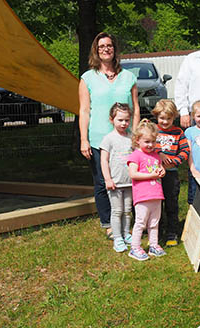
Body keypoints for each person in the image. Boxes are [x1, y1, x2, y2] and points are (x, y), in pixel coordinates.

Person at [79, 32, 140, 238]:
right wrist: (84, 139)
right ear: (96, 51)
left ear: (115, 49)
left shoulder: (128, 77)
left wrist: (137, 134)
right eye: (101, 46)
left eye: (109, 46)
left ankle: (128, 219)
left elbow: (136, 108)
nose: (106, 49)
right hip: (98, 139)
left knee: (127, 179)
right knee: (102, 181)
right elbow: (84, 110)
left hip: (126, 139)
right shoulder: (87, 78)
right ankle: (108, 223)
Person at [127, 119, 166, 261]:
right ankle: (135, 248)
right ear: (138, 140)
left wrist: (161, 171)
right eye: (147, 142)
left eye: (153, 142)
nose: (150, 145)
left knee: (155, 222)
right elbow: (133, 174)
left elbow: (159, 169)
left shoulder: (156, 155)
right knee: (140, 223)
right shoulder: (135, 156)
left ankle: (153, 245)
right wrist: (152, 175)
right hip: (142, 196)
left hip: (156, 195)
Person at [152, 99, 189, 247]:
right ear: (156, 117)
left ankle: (172, 232)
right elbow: (144, 144)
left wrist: (175, 161)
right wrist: (159, 154)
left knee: (171, 204)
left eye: (168, 118)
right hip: (154, 174)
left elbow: (185, 150)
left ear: (174, 117)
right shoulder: (153, 130)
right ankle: (156, 233)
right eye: (162, 118)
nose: (165, 121)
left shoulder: (178, 132)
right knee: (155, 205)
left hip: (171, 174)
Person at [99, 103, 134, 253]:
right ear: (111, 119)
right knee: (117, 211)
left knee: (127, 210)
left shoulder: (132, 137)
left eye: (126, 120)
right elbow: (103, 160)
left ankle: (126, 234)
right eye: (120, 120)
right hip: (115, 183)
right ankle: (117, 237)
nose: (124, 123)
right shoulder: (108, 139)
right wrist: (108, 179)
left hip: (130, 183)